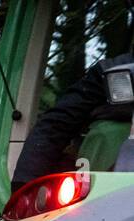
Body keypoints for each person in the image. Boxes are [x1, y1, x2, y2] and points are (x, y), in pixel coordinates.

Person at [12, 51, 134, 191]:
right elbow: (59, 121)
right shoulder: (114, 71)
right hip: (106, 176)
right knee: (109, 132)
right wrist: (24, 187)